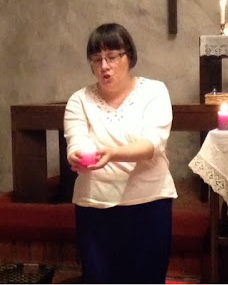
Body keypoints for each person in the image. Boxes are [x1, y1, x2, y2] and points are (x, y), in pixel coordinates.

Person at [64, 23, 177, 284]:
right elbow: (76, 141)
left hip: (149, 202)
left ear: (129, 56)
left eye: (112, 57)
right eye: (96, 59)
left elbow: (153, 144)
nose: (104, 66)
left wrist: (114, 153)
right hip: (96, 206)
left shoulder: (154, 91)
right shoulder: (79, 100)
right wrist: (76, 156)